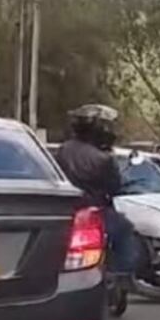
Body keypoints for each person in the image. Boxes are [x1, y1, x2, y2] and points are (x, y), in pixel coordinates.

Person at [55, 104, 144, 279]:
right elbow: (114, 187)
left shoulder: (64, 149)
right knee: (125, 230)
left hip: (67, 210)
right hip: (94, 210)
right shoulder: (104, 158)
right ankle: (120, 274)